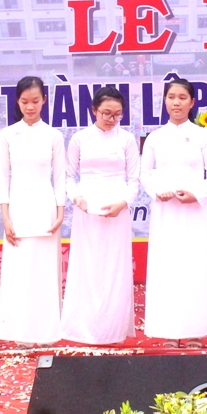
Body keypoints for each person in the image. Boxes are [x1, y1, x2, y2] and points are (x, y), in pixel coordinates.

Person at [140, 77, 207, 350]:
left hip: (194, 212)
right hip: (166, 213)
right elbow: (145, 173)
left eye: (182, 98)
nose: (176, 102)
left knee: (195, 266)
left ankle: (196, 330)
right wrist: (157, 192)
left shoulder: (202, 136)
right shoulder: (155, 137)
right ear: (164, 101)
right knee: (168, 267)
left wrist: (197, 194)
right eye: (171, 97)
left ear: (192, 102)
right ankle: (170, 331)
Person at [61, 86, 139, 345]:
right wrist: (77, 198)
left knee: (114, 267)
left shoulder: (126, 139)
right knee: (88, 265)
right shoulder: (80, 139)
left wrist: (124, 203)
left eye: (117, 114)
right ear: (94, 110)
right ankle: (84, 327)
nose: (111, 119)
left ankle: (113, 329)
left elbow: (134, 179)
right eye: (106, 113)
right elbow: (68, 176)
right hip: (87, 209)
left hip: (117, 209)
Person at [0, 76, 66, 347]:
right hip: (18, 208)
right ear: (17, 101)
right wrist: (5, 217)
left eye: (35, 101)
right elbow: (4, 178)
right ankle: (21, 332)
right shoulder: (7, 135)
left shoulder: (53, 135)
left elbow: (59, 178)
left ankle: (46, 332)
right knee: (20, 271)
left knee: (45, 270)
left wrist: (60, 213)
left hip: (45, 208)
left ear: (44, 100)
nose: (30, 106)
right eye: (25, 101)